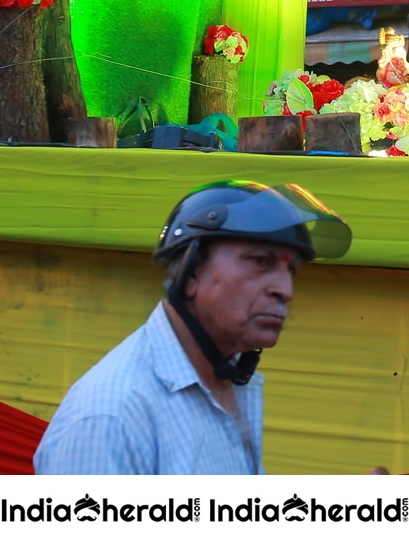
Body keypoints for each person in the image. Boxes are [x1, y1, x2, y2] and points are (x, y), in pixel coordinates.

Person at [33, 179, 351, 474]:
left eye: (291, 271)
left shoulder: (226, 380)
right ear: (192, 272)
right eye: (260, 262)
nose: (285, 290)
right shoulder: (111, 419)